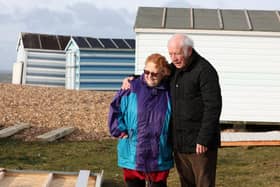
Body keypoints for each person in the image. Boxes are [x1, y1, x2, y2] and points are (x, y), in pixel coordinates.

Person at [122, 34, 222, 187]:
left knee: (203, 183)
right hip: (180, 143)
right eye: (171, 54)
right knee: (186, 183)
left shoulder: (204, 71)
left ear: (188, 50)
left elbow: (213, 107)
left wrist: (204, 139)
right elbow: (155, 74)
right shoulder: (174, 70)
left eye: (177, 53)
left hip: (200, 144)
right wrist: (132, 79)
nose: (174, 58)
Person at [108, 53, 174, 187]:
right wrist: (119, 130)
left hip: (159, 153)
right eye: (146, 72)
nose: (149, 76)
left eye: (154, 74)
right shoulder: (131, 88)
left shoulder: (169, 92)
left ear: (163, 73)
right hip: (132, 152)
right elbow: (116, 108)